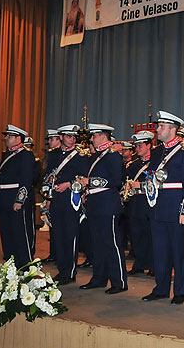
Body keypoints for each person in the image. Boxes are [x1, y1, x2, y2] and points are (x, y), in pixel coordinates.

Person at [141, 111, 184, 305]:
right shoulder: (157, 152)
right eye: (158, 126)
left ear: (173, 129)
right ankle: (161, 288)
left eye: (162, 127)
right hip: (157, 207)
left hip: (176, 208)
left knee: (179, 251)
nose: (157, 130)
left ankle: (180, 291)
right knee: (160, 250)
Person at [77, 124, 127, 294]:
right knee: (96, 244)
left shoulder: (113, 156)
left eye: (94, 136)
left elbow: (116, 180)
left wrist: (89, 182)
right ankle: (98, 278)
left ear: (103, 136)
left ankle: (119, 281)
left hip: (107, 205)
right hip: (94, 204)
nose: (91, 139)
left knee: (111, 244)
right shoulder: (96, 156)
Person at [42, 125, 89, 286]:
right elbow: (48, 173)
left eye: (74, 137)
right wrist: (48, 192)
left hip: (71, 199)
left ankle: (69, 272)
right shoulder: (53, 154)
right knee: (58, 236)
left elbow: (84, 177)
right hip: (55, 199)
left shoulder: (81, 155)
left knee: (71, 236)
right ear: (61, 136)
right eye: (69, 136)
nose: (72, 139)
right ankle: (62, 270)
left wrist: (69, 184)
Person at [0, 125, 36, 268]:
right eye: (6, 136)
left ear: (18, 138)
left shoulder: (25, 154)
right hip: (3, 199)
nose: (6, 138)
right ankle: (11, 264)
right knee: (7, 233)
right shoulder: (6, 154)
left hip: (15, 198)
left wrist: (20, 200)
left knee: (20, 233)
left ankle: (25, 265)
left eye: (9, 136)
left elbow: (26, 179)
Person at [124, 130, 155, 276]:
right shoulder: (133, 165)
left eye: (140, 145)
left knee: (150, 236)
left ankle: (153, 264)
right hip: (135, 203)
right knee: (136, 236)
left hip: (148, 203)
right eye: (136, 146)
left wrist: (140, 185)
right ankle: (140, 263)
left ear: (149, 145)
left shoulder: (155, 162)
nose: (137, 149)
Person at [42, 129, 61, 263]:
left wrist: (49, 197)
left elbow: (53, 175)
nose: (49, 142)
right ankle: (53, 253)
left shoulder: (58, 154)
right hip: (50, 191)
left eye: (52, 139)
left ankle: (56, 254)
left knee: (57, 227)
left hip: (56, 193)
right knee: (53, 226)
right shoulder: (52, 153)